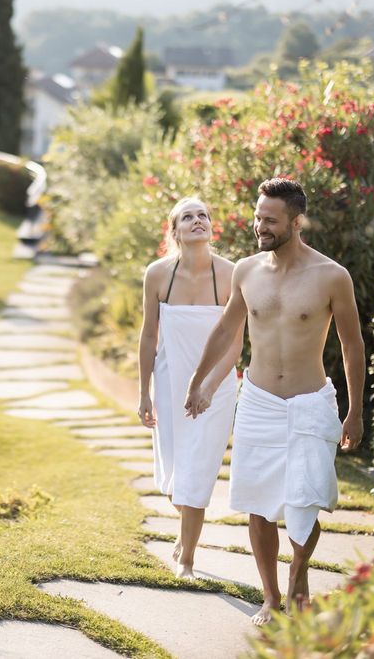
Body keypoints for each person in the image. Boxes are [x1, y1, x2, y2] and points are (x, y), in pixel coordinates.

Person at [184, 177, 365, 626]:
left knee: (305, 500)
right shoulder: (246, 270)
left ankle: (298, 576)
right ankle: (270, 596)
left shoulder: (331, 276)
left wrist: (355, 412)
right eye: (257, 216)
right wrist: (197, 380)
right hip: (260, 402)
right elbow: (227, 329)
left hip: (310, 403)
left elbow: (352, 346)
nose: (260, 226)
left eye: (270, 219)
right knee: (258, 504)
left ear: (296, 221)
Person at [138, 196, 243, 579]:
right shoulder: (157, 274)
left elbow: (235, 344)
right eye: (188, 216)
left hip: (216, 389)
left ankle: (187, 559)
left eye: (203, 214)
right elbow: (149, 336)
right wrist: (143, 392)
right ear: (175, 230)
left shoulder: (232, 274)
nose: (197, 220)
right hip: (169, 386)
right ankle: (186, 530)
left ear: (210, 226)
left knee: (197, 472)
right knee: (173, 480)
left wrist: (209, 388)